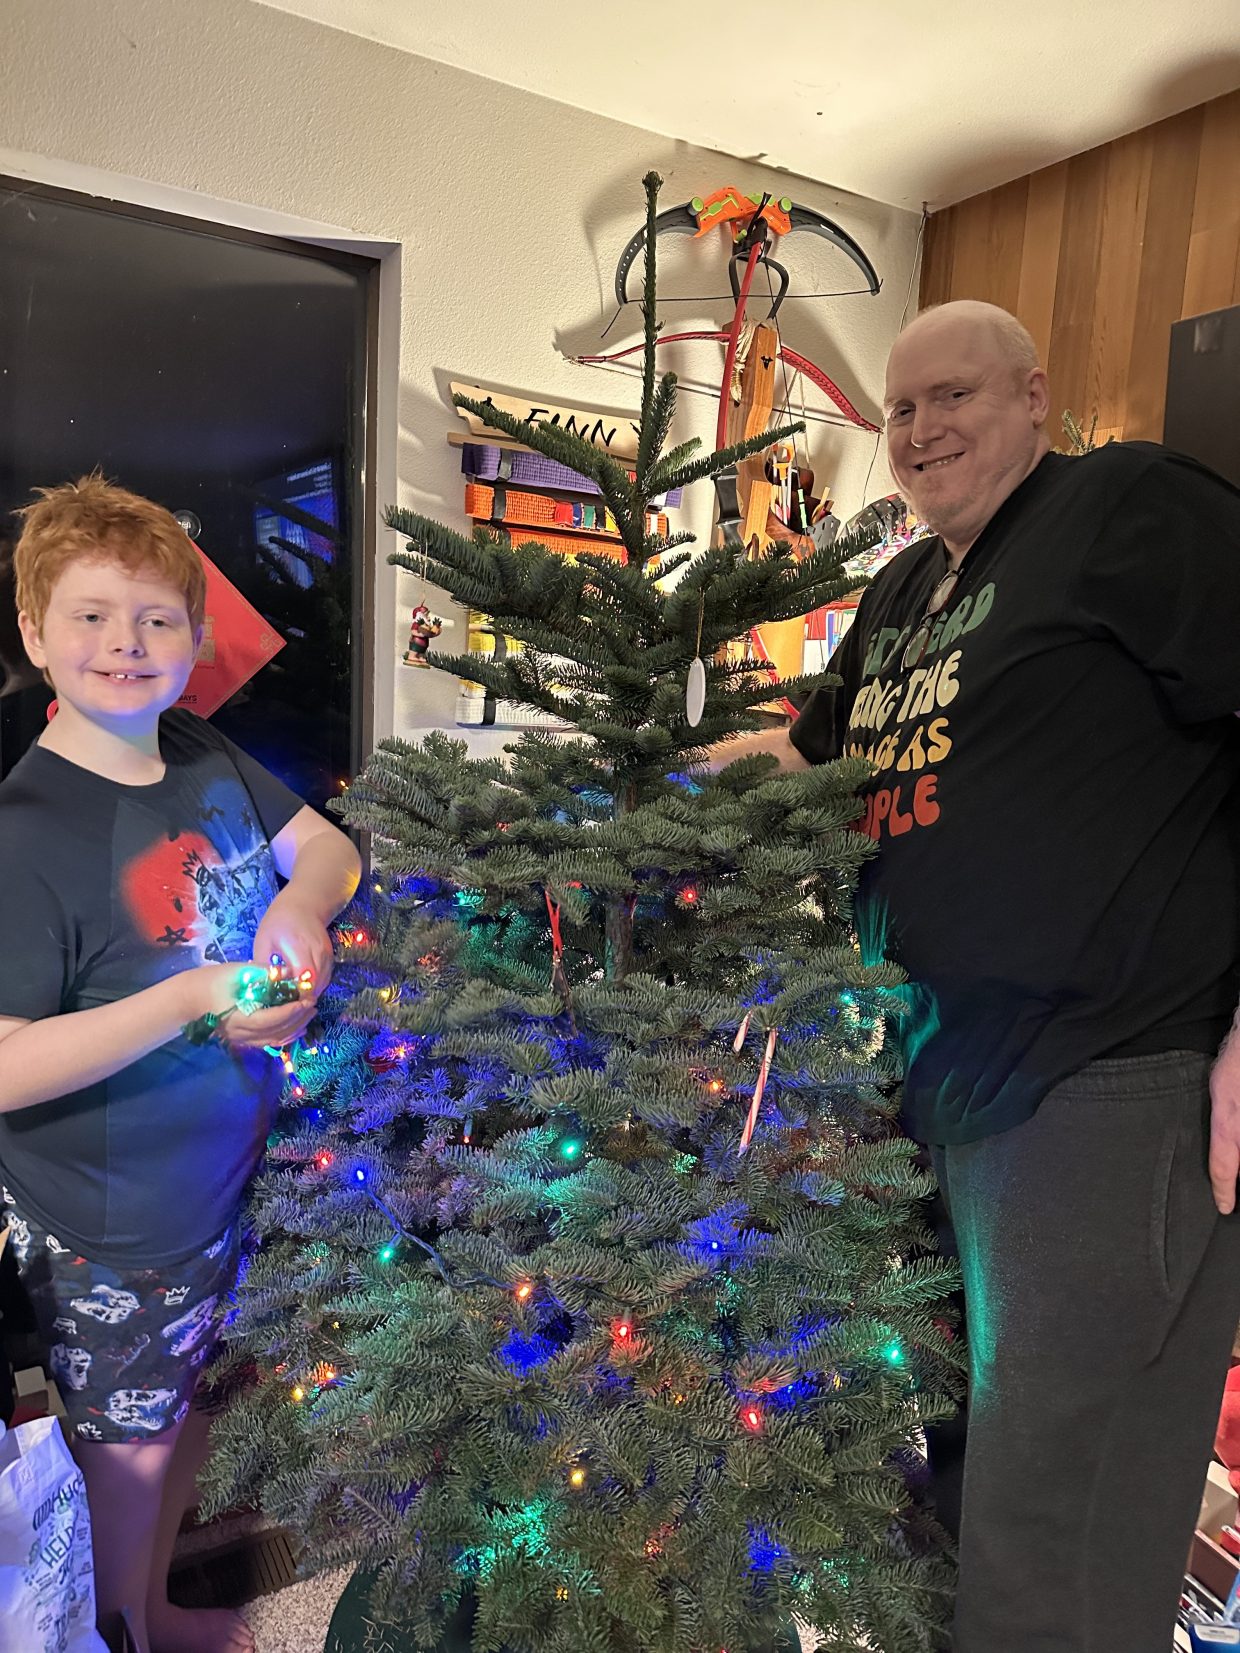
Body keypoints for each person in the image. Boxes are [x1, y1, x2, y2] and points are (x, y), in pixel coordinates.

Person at [725, 300, 1240, 1652]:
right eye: (900, 409)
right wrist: (650, 793)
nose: (921, 429)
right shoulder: (905, 591)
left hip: (1107, 1080)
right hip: (940, 1088)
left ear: (1033, 398)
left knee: (1054, 1523)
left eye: (954, 395)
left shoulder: (1127, 508)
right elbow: (809, 765)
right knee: (964, 1484)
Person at [0, 475, 361, 1653]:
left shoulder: (202, 753)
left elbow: (329, 852)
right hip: (114, 1216)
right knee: (128, 1455)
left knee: (188, 1415)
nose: (127, 642)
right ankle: (123, 1634)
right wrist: (197, 997)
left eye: (157, 618)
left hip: (223, 1177)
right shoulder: (24, 834)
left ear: (194, 638)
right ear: (34, 634)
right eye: (92, 615)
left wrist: (298, 912)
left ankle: (151, 1606)